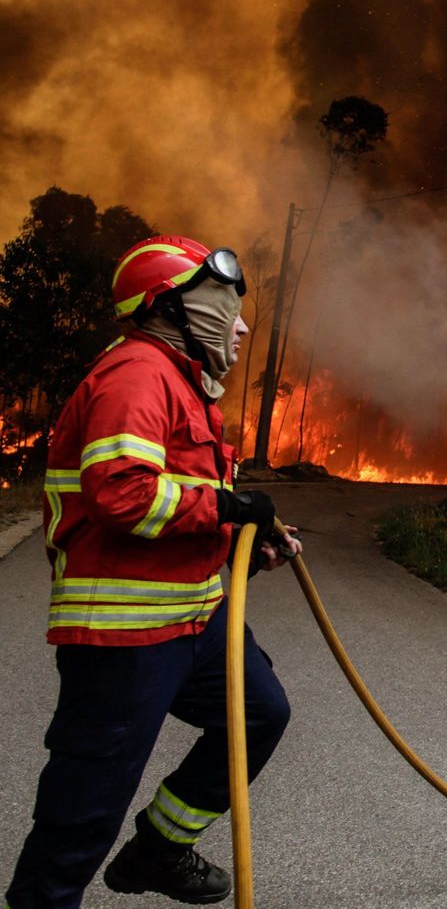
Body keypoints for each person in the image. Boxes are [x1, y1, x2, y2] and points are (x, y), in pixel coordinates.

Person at [6, 236, 301, 908]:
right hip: (123, 635)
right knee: (86, 806)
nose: (238, 328)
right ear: (171, 306)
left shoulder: (183, 383)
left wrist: (245, 539)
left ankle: (159, 848)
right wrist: (228, 506)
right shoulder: (136, 374)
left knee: (259, 715)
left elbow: (181, 507)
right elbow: (122, 493)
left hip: (193, 618)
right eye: (224, 307)